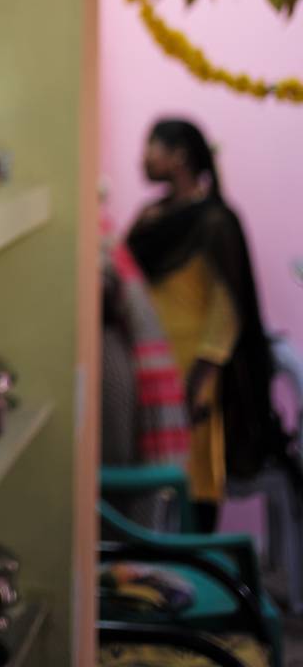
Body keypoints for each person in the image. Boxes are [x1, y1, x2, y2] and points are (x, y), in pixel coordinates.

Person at [126, 119, 282, 533]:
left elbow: (227, 307)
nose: (143, 157)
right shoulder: (151, 216)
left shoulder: (216, 221)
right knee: (144, 471)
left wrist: (205, 373)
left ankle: (197, 572)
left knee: (195, 477)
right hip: (147, 362)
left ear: (178, 156)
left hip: (194, 367)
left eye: (152, 147)